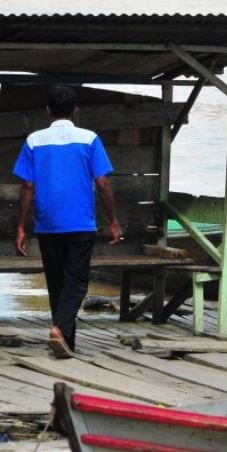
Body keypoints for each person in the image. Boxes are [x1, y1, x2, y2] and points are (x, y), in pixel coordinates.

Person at [13, 85, 122, 358]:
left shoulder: (34, 141)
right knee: (76, 281)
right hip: (80, 222)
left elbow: (27, 185)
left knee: (56, 281)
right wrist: (113, 220)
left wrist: (21, 226)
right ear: (76, 110)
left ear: (48, 111)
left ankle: (66, 343)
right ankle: (60, 329)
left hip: (47, 223)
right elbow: (102, 181)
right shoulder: (89, 138)